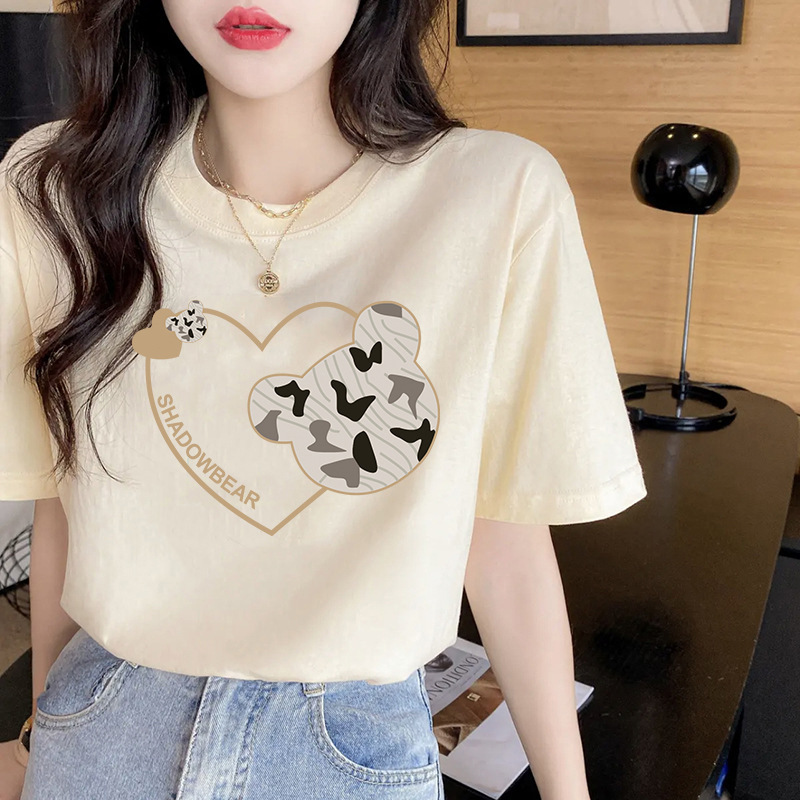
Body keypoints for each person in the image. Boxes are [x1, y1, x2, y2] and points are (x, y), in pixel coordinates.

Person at [0, 0, 648, 798]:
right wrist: (40, 741)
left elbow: (503, 543)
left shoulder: (495, 196)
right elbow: (65, 506)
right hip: (102, 734)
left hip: (350, 753)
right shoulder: (54, 188)